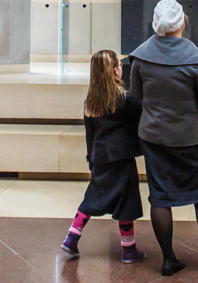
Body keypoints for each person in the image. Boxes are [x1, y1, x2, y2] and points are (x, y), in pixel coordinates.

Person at [128, 0, 198, 278]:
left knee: (160, 198)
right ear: (182, 22)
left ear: (156, 24)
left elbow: (136, 97)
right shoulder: (196, 58)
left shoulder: (142, 56)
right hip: (190, 139)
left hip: (154, 138)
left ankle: (169, 260)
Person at [61, 50, 146, 264]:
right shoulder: (125, 99)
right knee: (126, 202)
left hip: (99, 157)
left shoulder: (90, 101)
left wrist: (90, 158)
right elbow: (142, 117)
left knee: (92, 197)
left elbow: (90, 135)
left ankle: (72, 237)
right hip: (122, 158)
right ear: (115, 70)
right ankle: (128, 249)